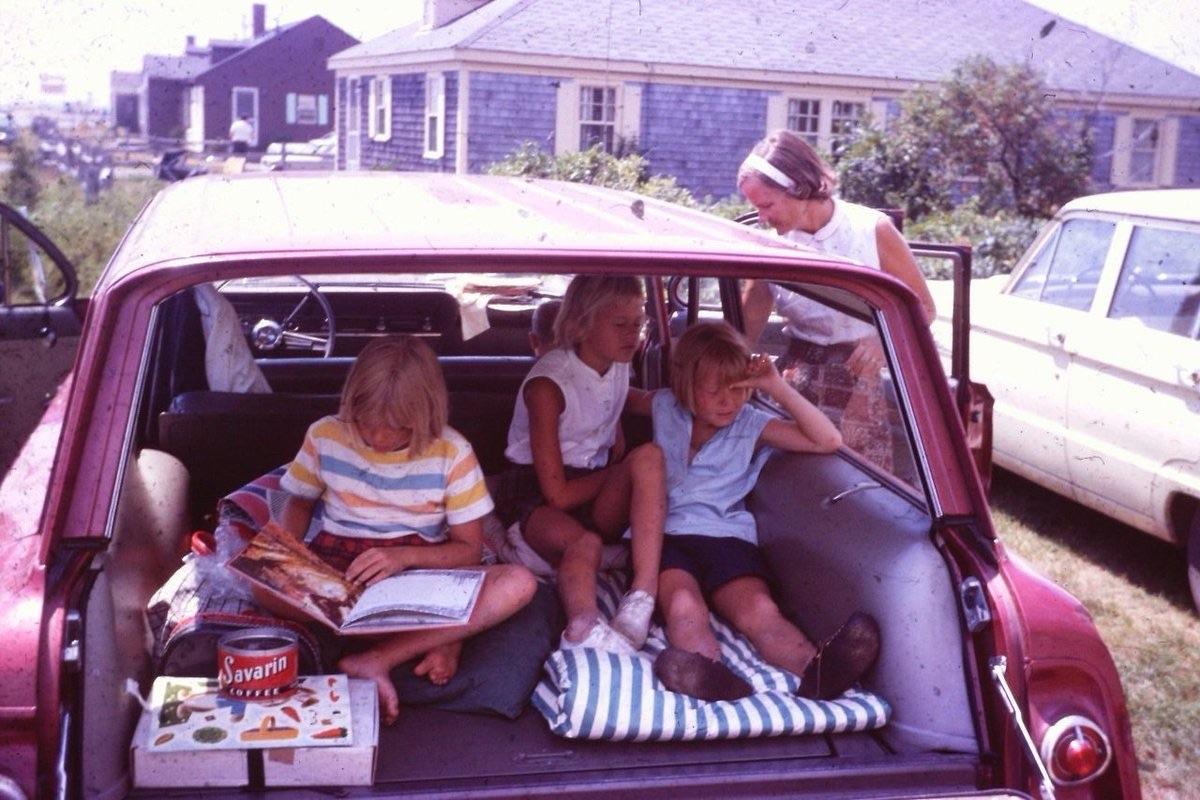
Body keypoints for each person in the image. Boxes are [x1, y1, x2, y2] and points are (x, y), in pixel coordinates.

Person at [275, 335, 537, 724]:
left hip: (418, 579)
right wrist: (284, 560)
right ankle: (445, 639)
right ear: (351, 403)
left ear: (426, 414)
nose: (379, 439)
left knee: (519, 583)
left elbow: (467, 550)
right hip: (336, 576)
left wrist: (403, 557)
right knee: (261, 585)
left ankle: (379, 658)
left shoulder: (452, 453)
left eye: (397, 429)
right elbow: (298, 504)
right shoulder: (325, 436)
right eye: (366, 425)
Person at [637, 322, 880, 701]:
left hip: (726, 537)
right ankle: (707, 674)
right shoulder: (664, 405)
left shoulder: (751, 424)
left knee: (760, 612)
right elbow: (611, 399)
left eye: (739, 390)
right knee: (684, 607)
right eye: (715, 390)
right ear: (685, 383)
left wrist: (774, 386)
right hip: (667, 539)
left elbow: (828, 440)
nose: (728, 401)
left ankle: (816, 669)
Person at [737, 130, 936, 473]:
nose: (762, 218)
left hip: (859, 385)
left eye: (766, 205)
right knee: (790, 484)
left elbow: (924, 308)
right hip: (794, 382)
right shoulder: (768, 244)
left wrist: (880, 340)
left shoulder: (871, 230)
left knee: (861, 490)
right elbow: (744, 330)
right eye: (755, 208)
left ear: (798, 188)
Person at [497, 275, 665, 654]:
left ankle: (642, 596)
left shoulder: (617, 361)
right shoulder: (548, 385)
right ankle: (584, 627)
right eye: (620, 325)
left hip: (593, 482)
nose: (633, 336)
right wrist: (617, 473)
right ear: (580, 326)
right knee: (583, 543)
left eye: (638, 325)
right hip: (539, 492)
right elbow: (556, 494)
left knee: (651, 456)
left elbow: (613, 400)